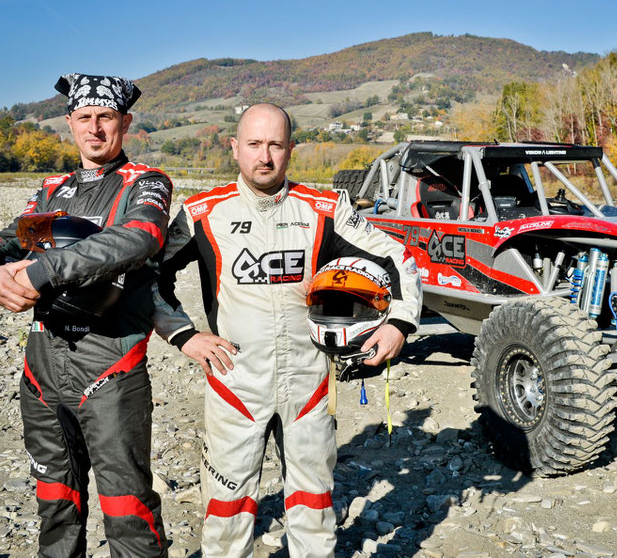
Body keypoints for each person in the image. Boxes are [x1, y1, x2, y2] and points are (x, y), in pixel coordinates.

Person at [153, 103, 422, 557]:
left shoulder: (323, 209)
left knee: (314, 505)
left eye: (275, 144)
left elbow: (397, 258)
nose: (265, 156)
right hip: (235, 381)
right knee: (226, 506)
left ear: (291, 149)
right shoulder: (201, 214)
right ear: (235, 148)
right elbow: (148, 277)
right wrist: (184, 335)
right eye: (254, 144)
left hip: (309, 381)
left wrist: (399, 322)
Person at [0, 74, 171, 557]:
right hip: (41, 368)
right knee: (55, 503)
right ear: (70, 123)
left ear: (126, 122)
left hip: (110, 366)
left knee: (128, 509)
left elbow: (138, 237)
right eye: (85, 118)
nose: (95, 128)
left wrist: (41, 272)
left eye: (106, 118)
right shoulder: (51, 191)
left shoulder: (144, 183)